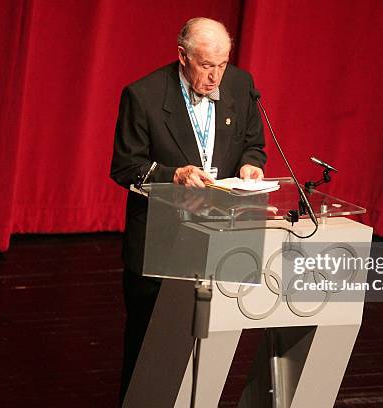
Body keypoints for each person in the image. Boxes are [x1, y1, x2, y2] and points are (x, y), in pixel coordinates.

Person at [110, 17, 266, 404]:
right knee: (149, 347)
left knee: (208, 346)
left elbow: (253, 143)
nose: (216, 77)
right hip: (161, 242)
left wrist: (250, 164)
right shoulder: (143, 96)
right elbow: (125, 167)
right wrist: (172, 175)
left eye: (222, 65)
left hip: (219, 238)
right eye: (206, 66)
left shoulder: (241, 85)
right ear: (183, 56)